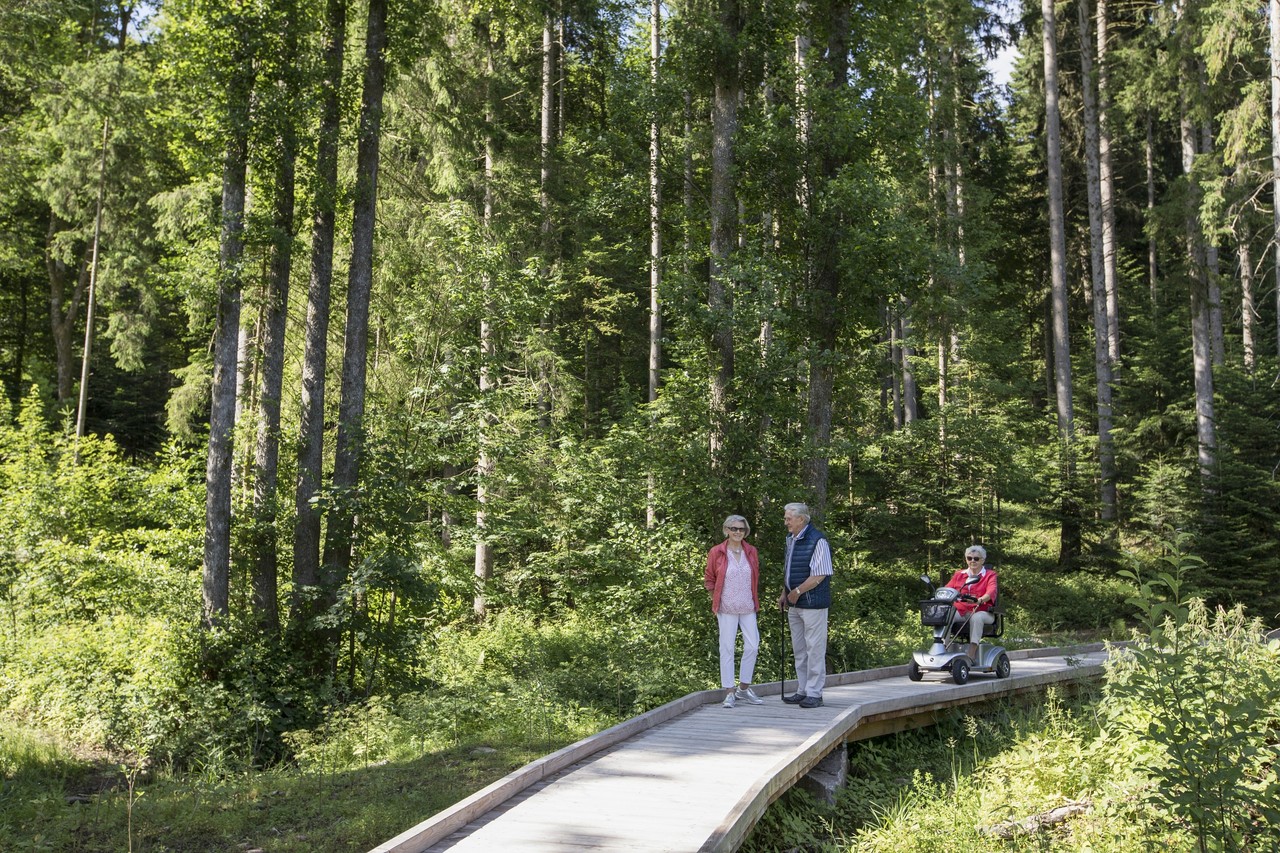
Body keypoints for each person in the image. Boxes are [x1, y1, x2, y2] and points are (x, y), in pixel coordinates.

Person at [776, 502, 832, 709]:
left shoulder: (818, 540)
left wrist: (797, 592)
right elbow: (789, 570)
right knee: (799, 649)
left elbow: (820, 574)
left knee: (814, 649)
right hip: (794, 603)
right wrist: (785, 593)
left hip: (812, 604)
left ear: (801, 519)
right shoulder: (790, 539)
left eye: (788, 519)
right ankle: (803, 690)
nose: (786, 522)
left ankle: (815, 693)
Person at [704, 514, 763, 708]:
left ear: (746, 531)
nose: (738, 532)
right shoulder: (717, 552)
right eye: (734, 528)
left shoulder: (751, 551)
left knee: (752, 646)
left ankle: (743, 689)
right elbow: (709, 579)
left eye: (741, 529)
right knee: (727, 648)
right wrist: (716, 599)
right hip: (726, 607)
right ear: (727, 530)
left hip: (748, 606)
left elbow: (755, 576)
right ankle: (729, 691)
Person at [945, 544, 999, 661]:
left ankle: (971, 653)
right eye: (969, 558)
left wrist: (980, 600)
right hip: (961, 610)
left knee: (977, 618)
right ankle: (943, 649)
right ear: (966, 559)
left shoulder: (990, 575)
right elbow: (948, 589)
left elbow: (991, 591)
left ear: (982, 560)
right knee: (946, 615)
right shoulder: (959, 574)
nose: (972, 561)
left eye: (976, 558)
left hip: (982, 611)